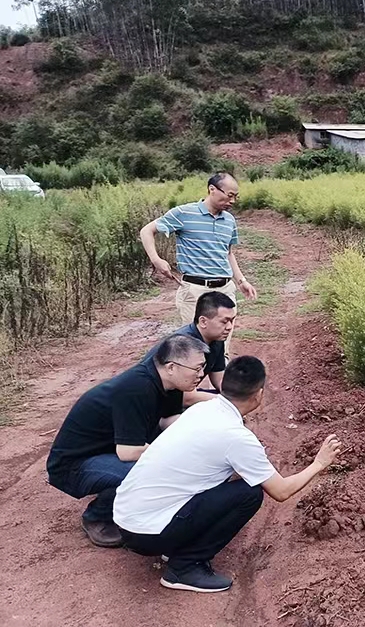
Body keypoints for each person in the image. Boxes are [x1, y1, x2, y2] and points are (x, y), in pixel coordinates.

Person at [114, 356, 342, 593]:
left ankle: (174, 543)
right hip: (146, 533)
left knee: (233, 480)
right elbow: (281, 491)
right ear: (259, 394)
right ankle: (184, 567)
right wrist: (319, 463)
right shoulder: (237, 437)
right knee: (249, 493)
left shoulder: (202, 409)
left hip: (126, 518)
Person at [46, 335, 211, 549]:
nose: (201, 375)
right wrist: (174, 457)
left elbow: (166, 421)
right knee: (151, 469)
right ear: (171, 367)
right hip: (73, 465)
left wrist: (204, 430)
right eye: (197, 369)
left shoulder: (171, 385)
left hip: (107, 450)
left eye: (203, 368)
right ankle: (98, 517)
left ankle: (123, 494)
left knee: (170, 457)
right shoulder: (137, 388)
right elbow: (128, 452)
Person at [139, 172, 258, 356]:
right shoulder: (184, 213)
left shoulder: (229, 221)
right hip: (195, 292)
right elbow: (147, 230)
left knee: (222, 348)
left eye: (236, 196)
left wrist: (241, 281)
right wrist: (156, 260)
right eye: (230, 195)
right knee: (196, 349)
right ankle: (193, 384)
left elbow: (228, 253)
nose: (233, 201)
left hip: (225, 289)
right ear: (212, 189)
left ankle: (219, 384)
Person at [143, 291, 236, 393]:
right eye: (224, 321)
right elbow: (186, 398)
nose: (230, 327)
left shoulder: (217, 339)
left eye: (232, 321)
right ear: (203, 322)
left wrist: (237, 394)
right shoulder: (184, 344)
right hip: (153, 399)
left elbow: (219, 379)